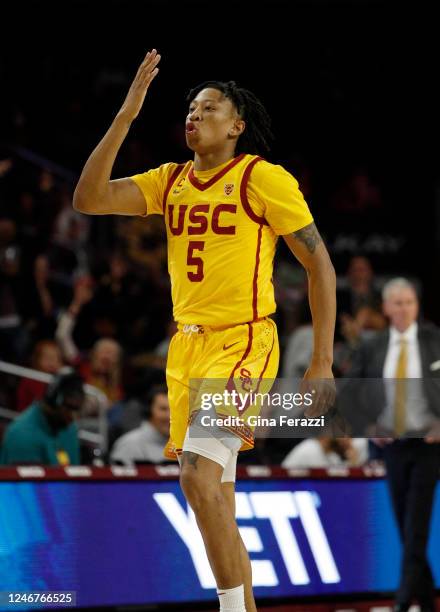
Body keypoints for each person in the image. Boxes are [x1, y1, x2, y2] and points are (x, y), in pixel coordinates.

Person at [73, 49, 336, 612]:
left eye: (209, 108)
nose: (194, 115)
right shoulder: (169, 181)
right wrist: (127, 113)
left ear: (236, 125)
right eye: (190, 108)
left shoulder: (261, 178)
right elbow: (89, 199)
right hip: (187, 346)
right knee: (215, 495)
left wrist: (321, 360)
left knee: (195, 476)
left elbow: (320, 266)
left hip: (242, 340)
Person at [346, 278, 440, 612]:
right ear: (385, 308)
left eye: (409, 302)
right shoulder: (373, 345)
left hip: (428, 445)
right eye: (397, 303)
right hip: (392, 446)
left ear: (417, 306)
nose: (403, 309)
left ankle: (401, 603)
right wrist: (367, 426)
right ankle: (428, 602)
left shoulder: (433, 340)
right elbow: (351, 390)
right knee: (405, 526)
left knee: (416, 526)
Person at [1, 370, 84, 466]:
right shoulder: (21, 435)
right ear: (52, 404)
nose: (73, 417)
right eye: (69, 408)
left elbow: (76, 477)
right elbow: (25, 481)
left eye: (76, 410)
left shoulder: (70, 430)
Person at [110, 384, 169, 465]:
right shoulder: (129, 444)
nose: (170, 416)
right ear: (148, 411)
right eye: (163, 409)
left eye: (175, 410)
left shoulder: (185, 445)